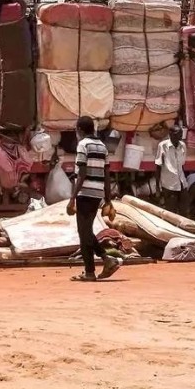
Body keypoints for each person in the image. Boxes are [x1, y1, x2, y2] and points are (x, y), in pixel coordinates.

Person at [66, 116, 122, 282]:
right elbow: (106, 175)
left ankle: (97, 266)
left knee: (84, 232)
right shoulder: (102, 147)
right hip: (97, 194)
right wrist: (108, 199)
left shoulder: (83, 145)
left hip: (85, 193)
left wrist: (72, 198)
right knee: (86, 231)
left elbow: (81, 174)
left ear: (80, 130)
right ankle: (100, 264)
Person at [155, 125, 188, 215]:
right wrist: (157, 187)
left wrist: (185, 181)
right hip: (169, 185)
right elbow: (158, 166)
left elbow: (181, 165)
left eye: (181, 134)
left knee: (184, 211)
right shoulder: (163, 146)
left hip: (182, 183)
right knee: (171, 212)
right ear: (170, 134)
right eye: (178, 134)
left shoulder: (183, 146)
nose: (180, 137)